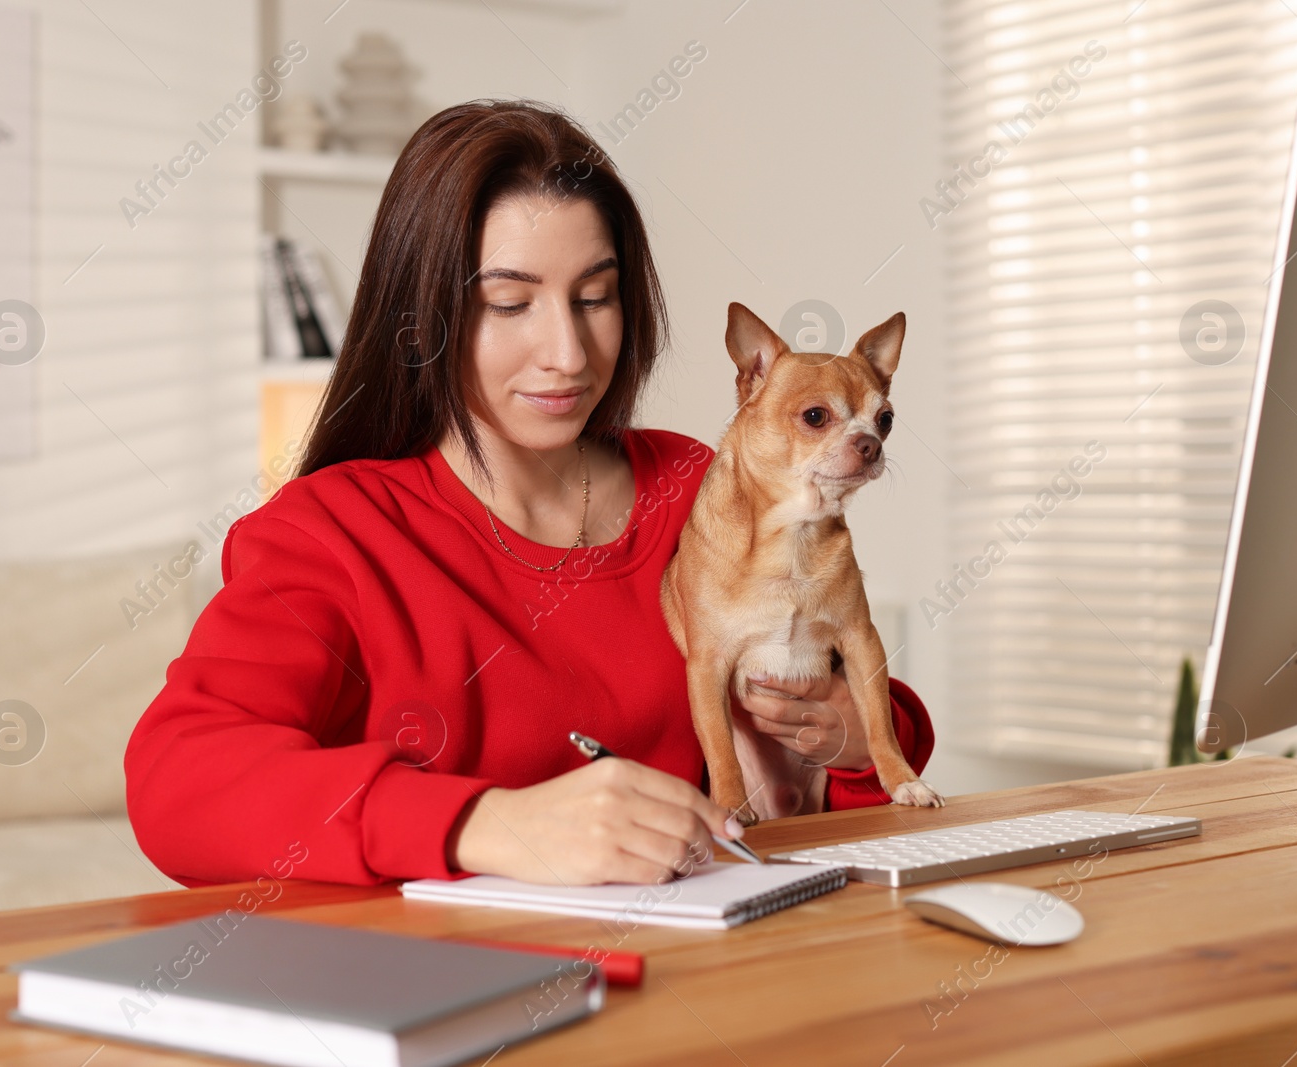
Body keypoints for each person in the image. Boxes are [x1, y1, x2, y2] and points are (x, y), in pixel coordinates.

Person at [124, 99, 934, 889]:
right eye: (509, 303)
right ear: (424, 320)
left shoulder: (703, 488)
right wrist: (491, 824)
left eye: (595, 297)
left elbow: (847, 756)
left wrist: (858, 742)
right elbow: (180, 782)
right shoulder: (333, 530)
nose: (567, 352)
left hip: (714, 976)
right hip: (445, 994)